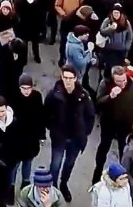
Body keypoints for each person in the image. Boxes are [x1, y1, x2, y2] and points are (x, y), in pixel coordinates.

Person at [46, 65, 96, 199]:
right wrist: (52, 128)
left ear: (75, 78)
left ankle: (63, 184)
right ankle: (53, 188)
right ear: (62, 77)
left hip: (75, 138)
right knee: (55, 164)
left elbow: (90, 115)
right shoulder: (54, 94)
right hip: (59, 137)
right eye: (65, 77)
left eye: (70, 78)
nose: (67, 81)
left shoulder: (83, 95)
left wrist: (85, 132)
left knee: (69, 164)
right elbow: (46, 112)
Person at [92, 66, 133, 183]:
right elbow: (98, 103)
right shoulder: (105, 84)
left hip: (125, 123)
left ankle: (123, 176)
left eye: (123, 80)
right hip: (109, 122)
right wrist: (110, 97)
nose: (122, 84)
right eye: (118, 81)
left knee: (123, 149)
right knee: (104, 147)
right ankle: (97, 172)